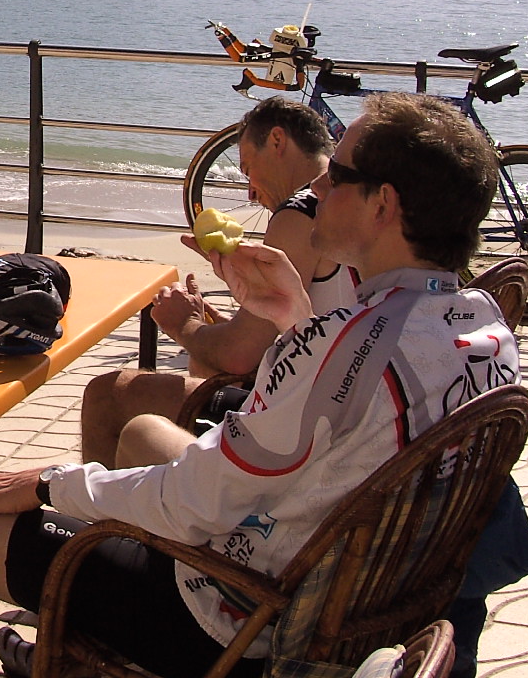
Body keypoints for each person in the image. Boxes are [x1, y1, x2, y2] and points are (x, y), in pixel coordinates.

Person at [0, 93, 519, 678]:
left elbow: (192, 502)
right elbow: (348, 403)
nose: (319, 186)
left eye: (338, 175)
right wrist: (295, 319)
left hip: (230, 620)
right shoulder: (480, 325)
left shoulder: (341, 350)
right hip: (343, 599)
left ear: (384, 205)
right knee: (143, 433)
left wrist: (49, 484)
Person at [80, 96, 352, 466]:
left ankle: (107, 503)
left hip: (305, 427)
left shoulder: (300, 213)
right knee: (204, 362)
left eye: (249, 169)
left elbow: (238, 356)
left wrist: (183, 324)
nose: (250, 191)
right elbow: (310, 322)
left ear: (277, 140)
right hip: (343, 404)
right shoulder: (355, 209)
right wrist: (223, 324)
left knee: (107, 394)